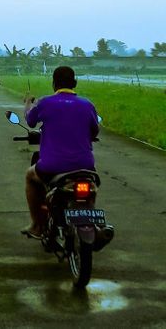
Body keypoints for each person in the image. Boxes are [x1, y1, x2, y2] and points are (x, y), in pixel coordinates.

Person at [21, 65, 100, 240]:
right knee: (91, 188)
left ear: (54, 84)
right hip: (85, 166)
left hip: (52, 167)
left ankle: (37, 225)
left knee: (30, 176)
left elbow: (31, 121)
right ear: (75, 83)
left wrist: (27, 104)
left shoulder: (45, 102)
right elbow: (94, 131)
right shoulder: (87, 105)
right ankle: (92, 223)